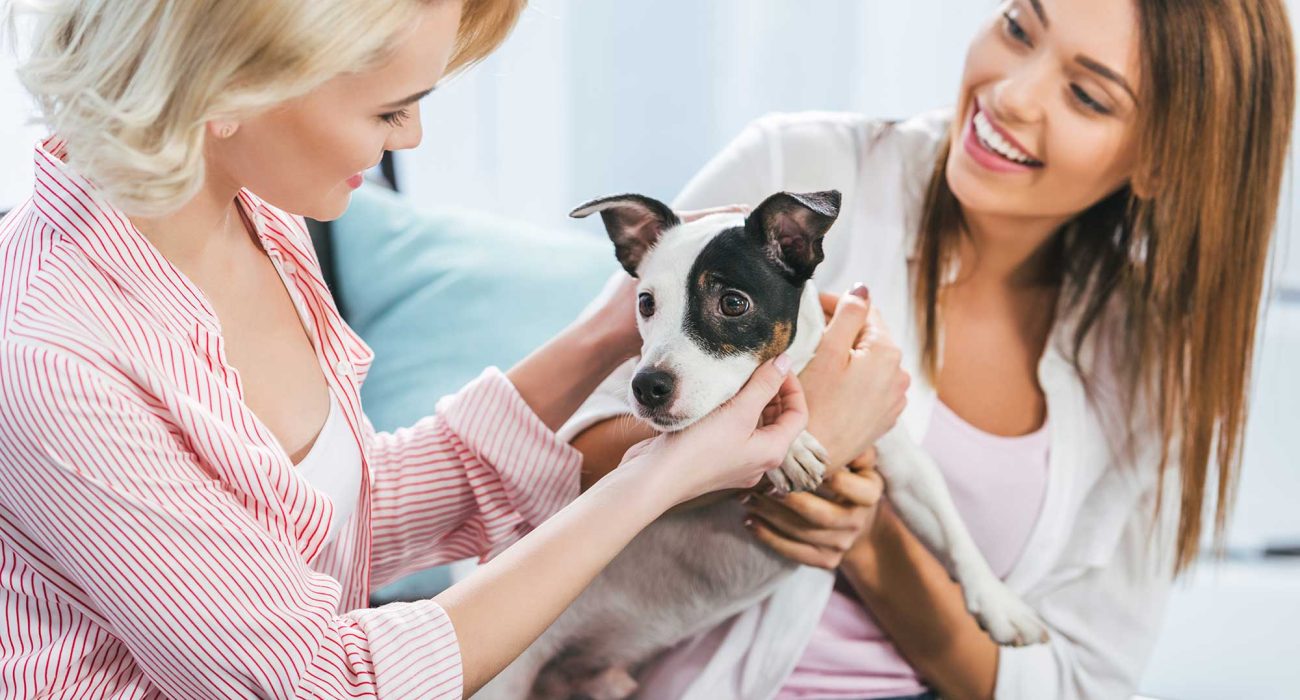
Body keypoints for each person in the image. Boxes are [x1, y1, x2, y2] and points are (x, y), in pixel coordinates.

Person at [0, 1, 903, 697]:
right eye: (391, 110)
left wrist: (604, 333)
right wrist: (662, 476)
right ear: (230, 87)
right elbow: (325, 682)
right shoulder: (52, 356)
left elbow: (349, 516)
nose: (414, 138)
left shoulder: (251, 208)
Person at [569, 0, 1296, 698]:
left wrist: (868, 532)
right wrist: (765, 452)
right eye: (1018, 26)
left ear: (1162, 162)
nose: (1011, 95)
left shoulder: (1149, 360)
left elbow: (1078, 681)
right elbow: (559, 457)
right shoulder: (798, 166)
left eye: (1086, 94)